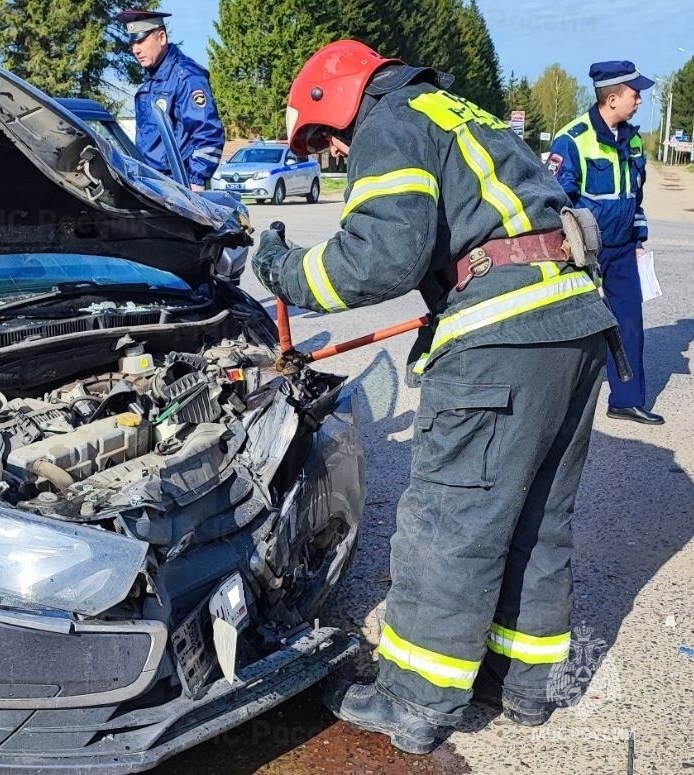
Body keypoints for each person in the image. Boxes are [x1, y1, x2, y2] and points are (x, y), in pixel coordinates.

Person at [251, 40, 618, 754]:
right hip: (575, 323)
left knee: (449, 520)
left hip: (505, 338)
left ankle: (414, 699)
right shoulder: (449, 109)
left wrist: (281, 269)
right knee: (536, 520)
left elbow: (376, 259)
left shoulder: (387, 123)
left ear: (340, 97)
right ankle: (524, 684)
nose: (329, 154)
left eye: (323, 136)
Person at [549, 61, 662, 424]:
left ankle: (626, 399)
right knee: (572, 327)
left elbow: (635, 195)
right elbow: (555, 200)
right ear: (612, 98)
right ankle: (552, 403)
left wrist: (639, 239)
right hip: (584, 251)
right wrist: (563, 246)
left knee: (628, 322)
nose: (640, 100)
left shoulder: (632, 139)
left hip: (624, 249)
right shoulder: (572, 139)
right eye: (635, 93)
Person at [115, 10, 225, 190]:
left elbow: (209, 134)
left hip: (179, 187)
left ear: (161, 37)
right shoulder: (152, 81)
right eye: (133, 43)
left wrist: (196, 182)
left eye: (141, 40)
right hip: (152, 185)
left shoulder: (186, 76)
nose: (136, 49)